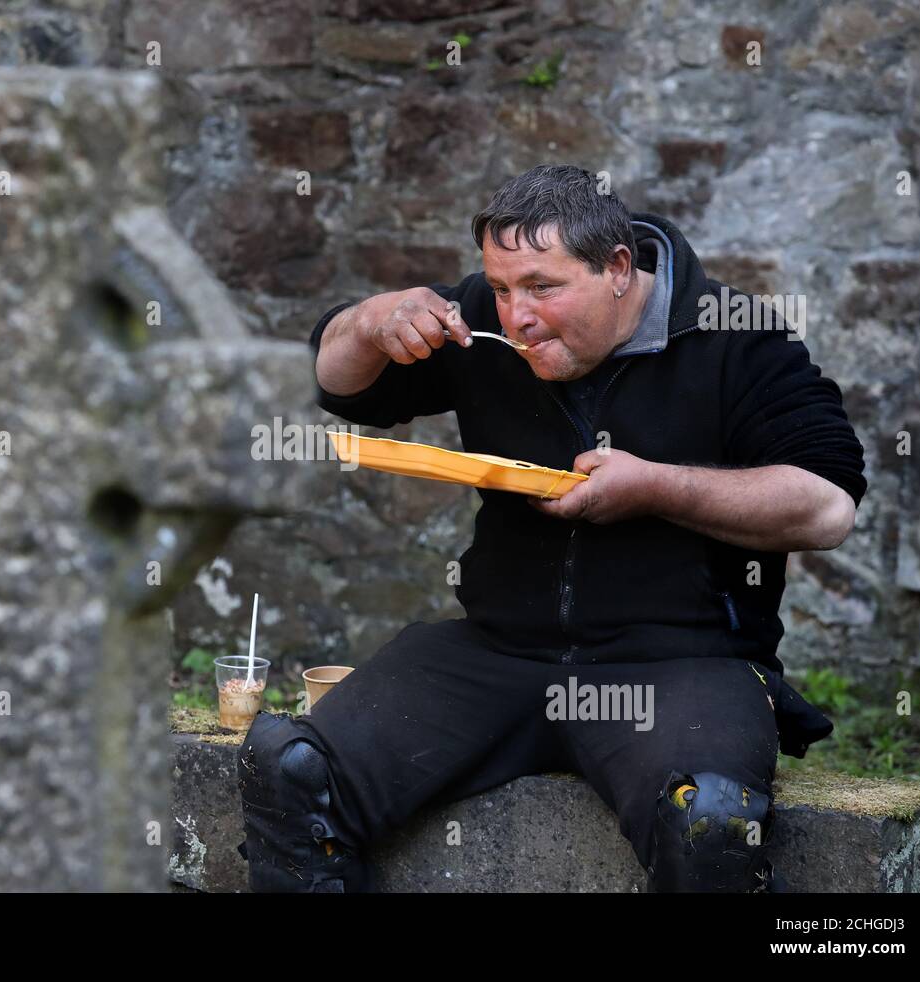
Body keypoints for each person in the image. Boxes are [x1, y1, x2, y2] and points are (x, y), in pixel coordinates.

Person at [236, 164, 867, 893]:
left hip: (682, 665)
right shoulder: (478, 320)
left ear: (619, 269)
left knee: (712, 824)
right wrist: (370, 323)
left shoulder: (736, 338)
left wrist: (657, 487)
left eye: (542, 287)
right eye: (501, 289)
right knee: (290, 771)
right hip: (499, 653)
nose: (515, 318)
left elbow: (826, 506)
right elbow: (340, 383)